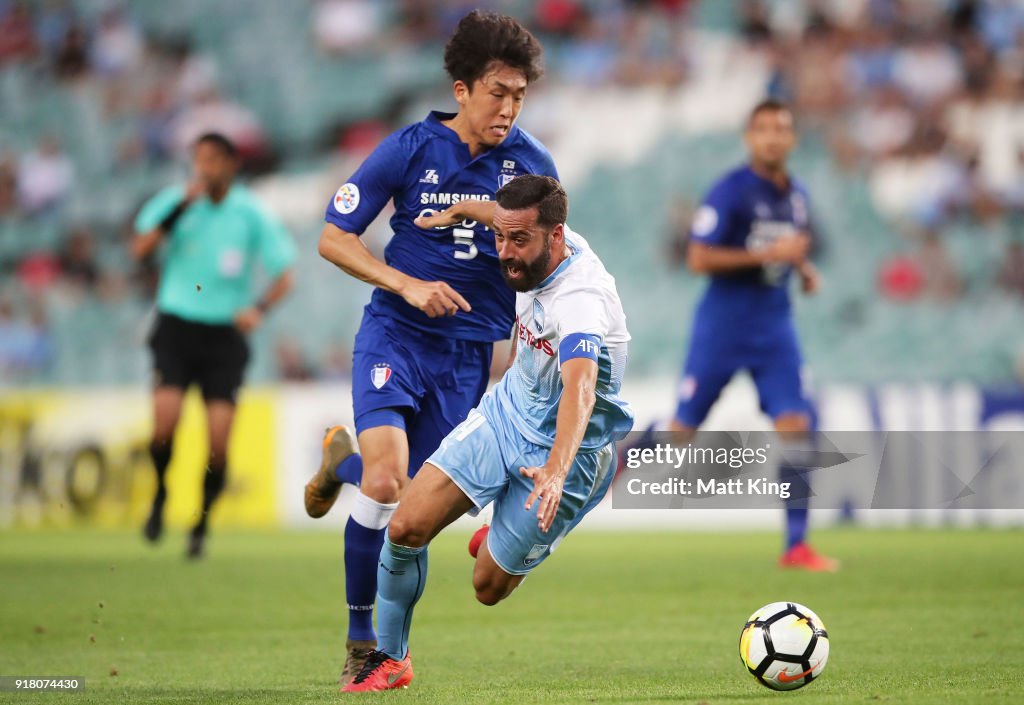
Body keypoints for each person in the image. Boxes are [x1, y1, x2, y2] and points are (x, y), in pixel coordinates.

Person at [302, 10, 558, 681]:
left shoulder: (531, 164)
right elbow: (334, 235)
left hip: (469, 358)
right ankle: (363, 640)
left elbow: (553, 260)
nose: (508, 108)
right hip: (397, 331)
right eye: (497, 92)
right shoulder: (411, 148)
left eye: (519, 96)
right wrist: (405, 283)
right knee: (387, 481)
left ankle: (340, 465)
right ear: (463, 87)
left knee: (411, 511)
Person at [341, 174, 632, 692]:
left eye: (519, 240)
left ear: (557, 236)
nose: (505, 253)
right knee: (405, 527)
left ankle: (538, 525)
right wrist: (457, 214)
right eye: (500, 237)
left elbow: (580, 391)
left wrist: (556, 471)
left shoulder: (580, 301)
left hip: (570, 452)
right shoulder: (528, 242)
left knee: (488, 588)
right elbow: (492, 213)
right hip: (503, 414)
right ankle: (390, 658)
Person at [660, 98, 837, 571]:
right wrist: (768, 256)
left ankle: (796, 546)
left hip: (775, 326)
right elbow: (698, 258)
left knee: (797, 426)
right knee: (680, 432)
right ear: (749, 138)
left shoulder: (795, 194)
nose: (773, 137)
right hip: (723, 325)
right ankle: (593, 480)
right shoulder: (730, 191)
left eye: (782, 128)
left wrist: (803, 269)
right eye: (764, 129)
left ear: (792, 138)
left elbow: (787, 247)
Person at [131, 132, 296, 559]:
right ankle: (161, 494)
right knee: (164, 426)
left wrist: (258, 308)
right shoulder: (176, 203)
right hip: (176, 327)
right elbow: (140, 249)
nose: (203, 168)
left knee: (219, 442)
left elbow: (285, 273)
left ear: (231, 164)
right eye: (197, 159)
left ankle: (201, 520)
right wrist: (180, 207)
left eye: (211, 160)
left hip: (224, 335)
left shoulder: (250, 213)